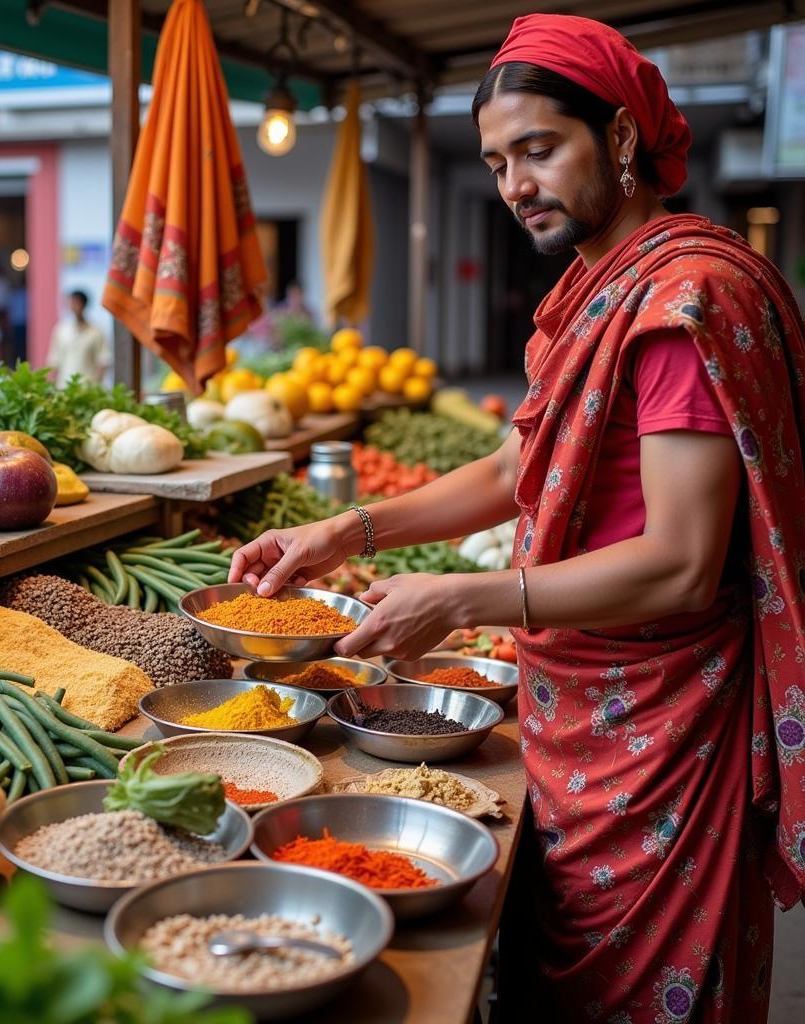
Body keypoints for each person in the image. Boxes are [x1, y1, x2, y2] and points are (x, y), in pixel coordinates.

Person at [228, 15, 805, 1022]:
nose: (513, 186)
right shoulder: (595, 288)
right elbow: (516, 464)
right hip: (572, 704)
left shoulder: (683, 304)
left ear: (621, 138)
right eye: (497, 162)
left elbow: (677, 563)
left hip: (661, 730)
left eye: (539, 149)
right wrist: (344, 532)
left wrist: (464, 597)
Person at [46, 290, 110, 385]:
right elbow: (54, 361)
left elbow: (103, 360)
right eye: (72, 303)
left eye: (77, 303)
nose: (74, 306)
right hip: (64, 387)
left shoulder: (96, 332)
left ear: (84, 305)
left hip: (86, 388)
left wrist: (96, 384)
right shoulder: (61, 330)